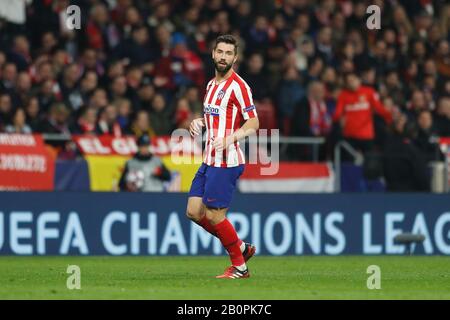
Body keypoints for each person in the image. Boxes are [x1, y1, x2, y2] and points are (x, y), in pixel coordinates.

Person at [186, 35, 259, 279]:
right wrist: (199, 121)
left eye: (228, 53)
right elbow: (213, 118)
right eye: (220, 52)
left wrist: (229, 139)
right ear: (213, 54)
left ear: (235, 58)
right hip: (209, 159)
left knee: (216, 215)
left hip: (227, 161)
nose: (223, 57)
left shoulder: (239, 87)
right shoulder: (210, 85)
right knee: (194, 211)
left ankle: (239, 266)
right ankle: (239, 246)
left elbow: (254, 122)